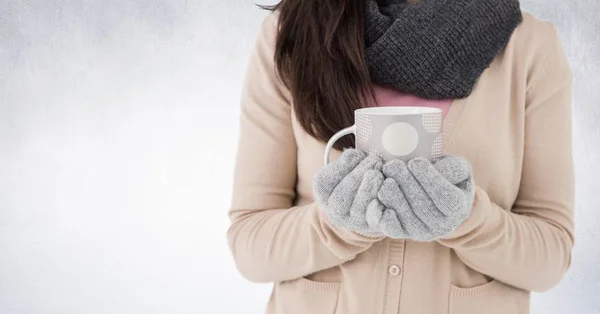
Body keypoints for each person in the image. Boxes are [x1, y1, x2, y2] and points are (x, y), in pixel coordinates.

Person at [227, 0, 574, 313]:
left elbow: (550, 257)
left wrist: (466, 221)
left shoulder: (530, 49)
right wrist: (336, 225)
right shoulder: (291, 33)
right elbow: (250, 246)